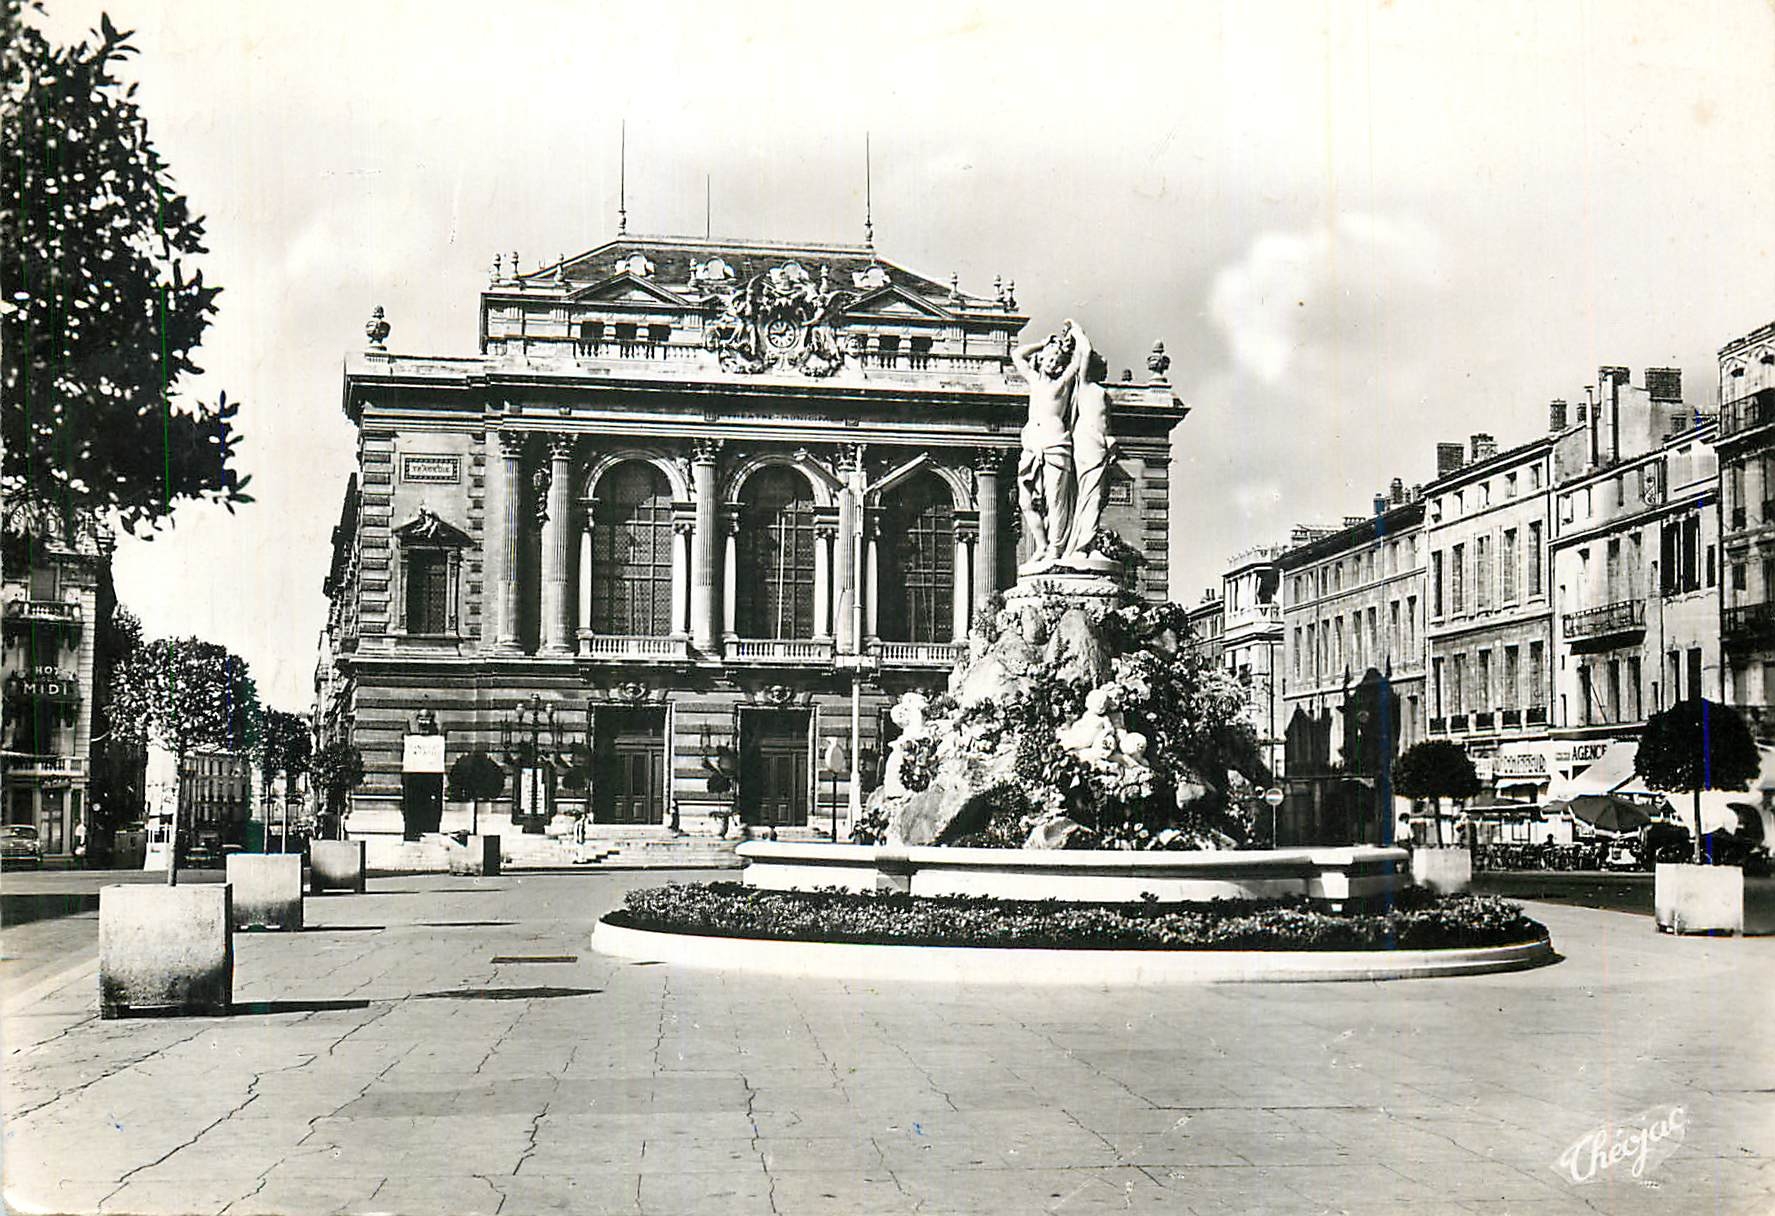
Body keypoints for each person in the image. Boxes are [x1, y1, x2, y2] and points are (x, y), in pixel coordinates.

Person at [1011, 321, 1087, 570]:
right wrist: (1043, 344)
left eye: (1058, 359)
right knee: (1026, 501)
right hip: (1033, 445)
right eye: (1050, 358)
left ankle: (1056, 549)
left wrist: (1075, 331)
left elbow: (1081, 356)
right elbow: (1017, 354)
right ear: (1041, 359)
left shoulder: (1062, 383)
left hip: (1055, 444)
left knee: (1056, 502)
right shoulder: (1034, 379)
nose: (1053, 362)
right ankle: (1042, 545)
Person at [1062, 342, 1117, 565]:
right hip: (1087, 443)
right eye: (1101, 366)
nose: (1104, 370)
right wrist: (1074, 330)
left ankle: (1090, 542)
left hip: (1101, 445)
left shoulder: (1103, 393)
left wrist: (1110, 440)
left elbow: (1106, 423)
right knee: (1091, 496)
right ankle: (1082, 545)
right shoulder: (1084, 386)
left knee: (1099, 497)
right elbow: (1084, 350)